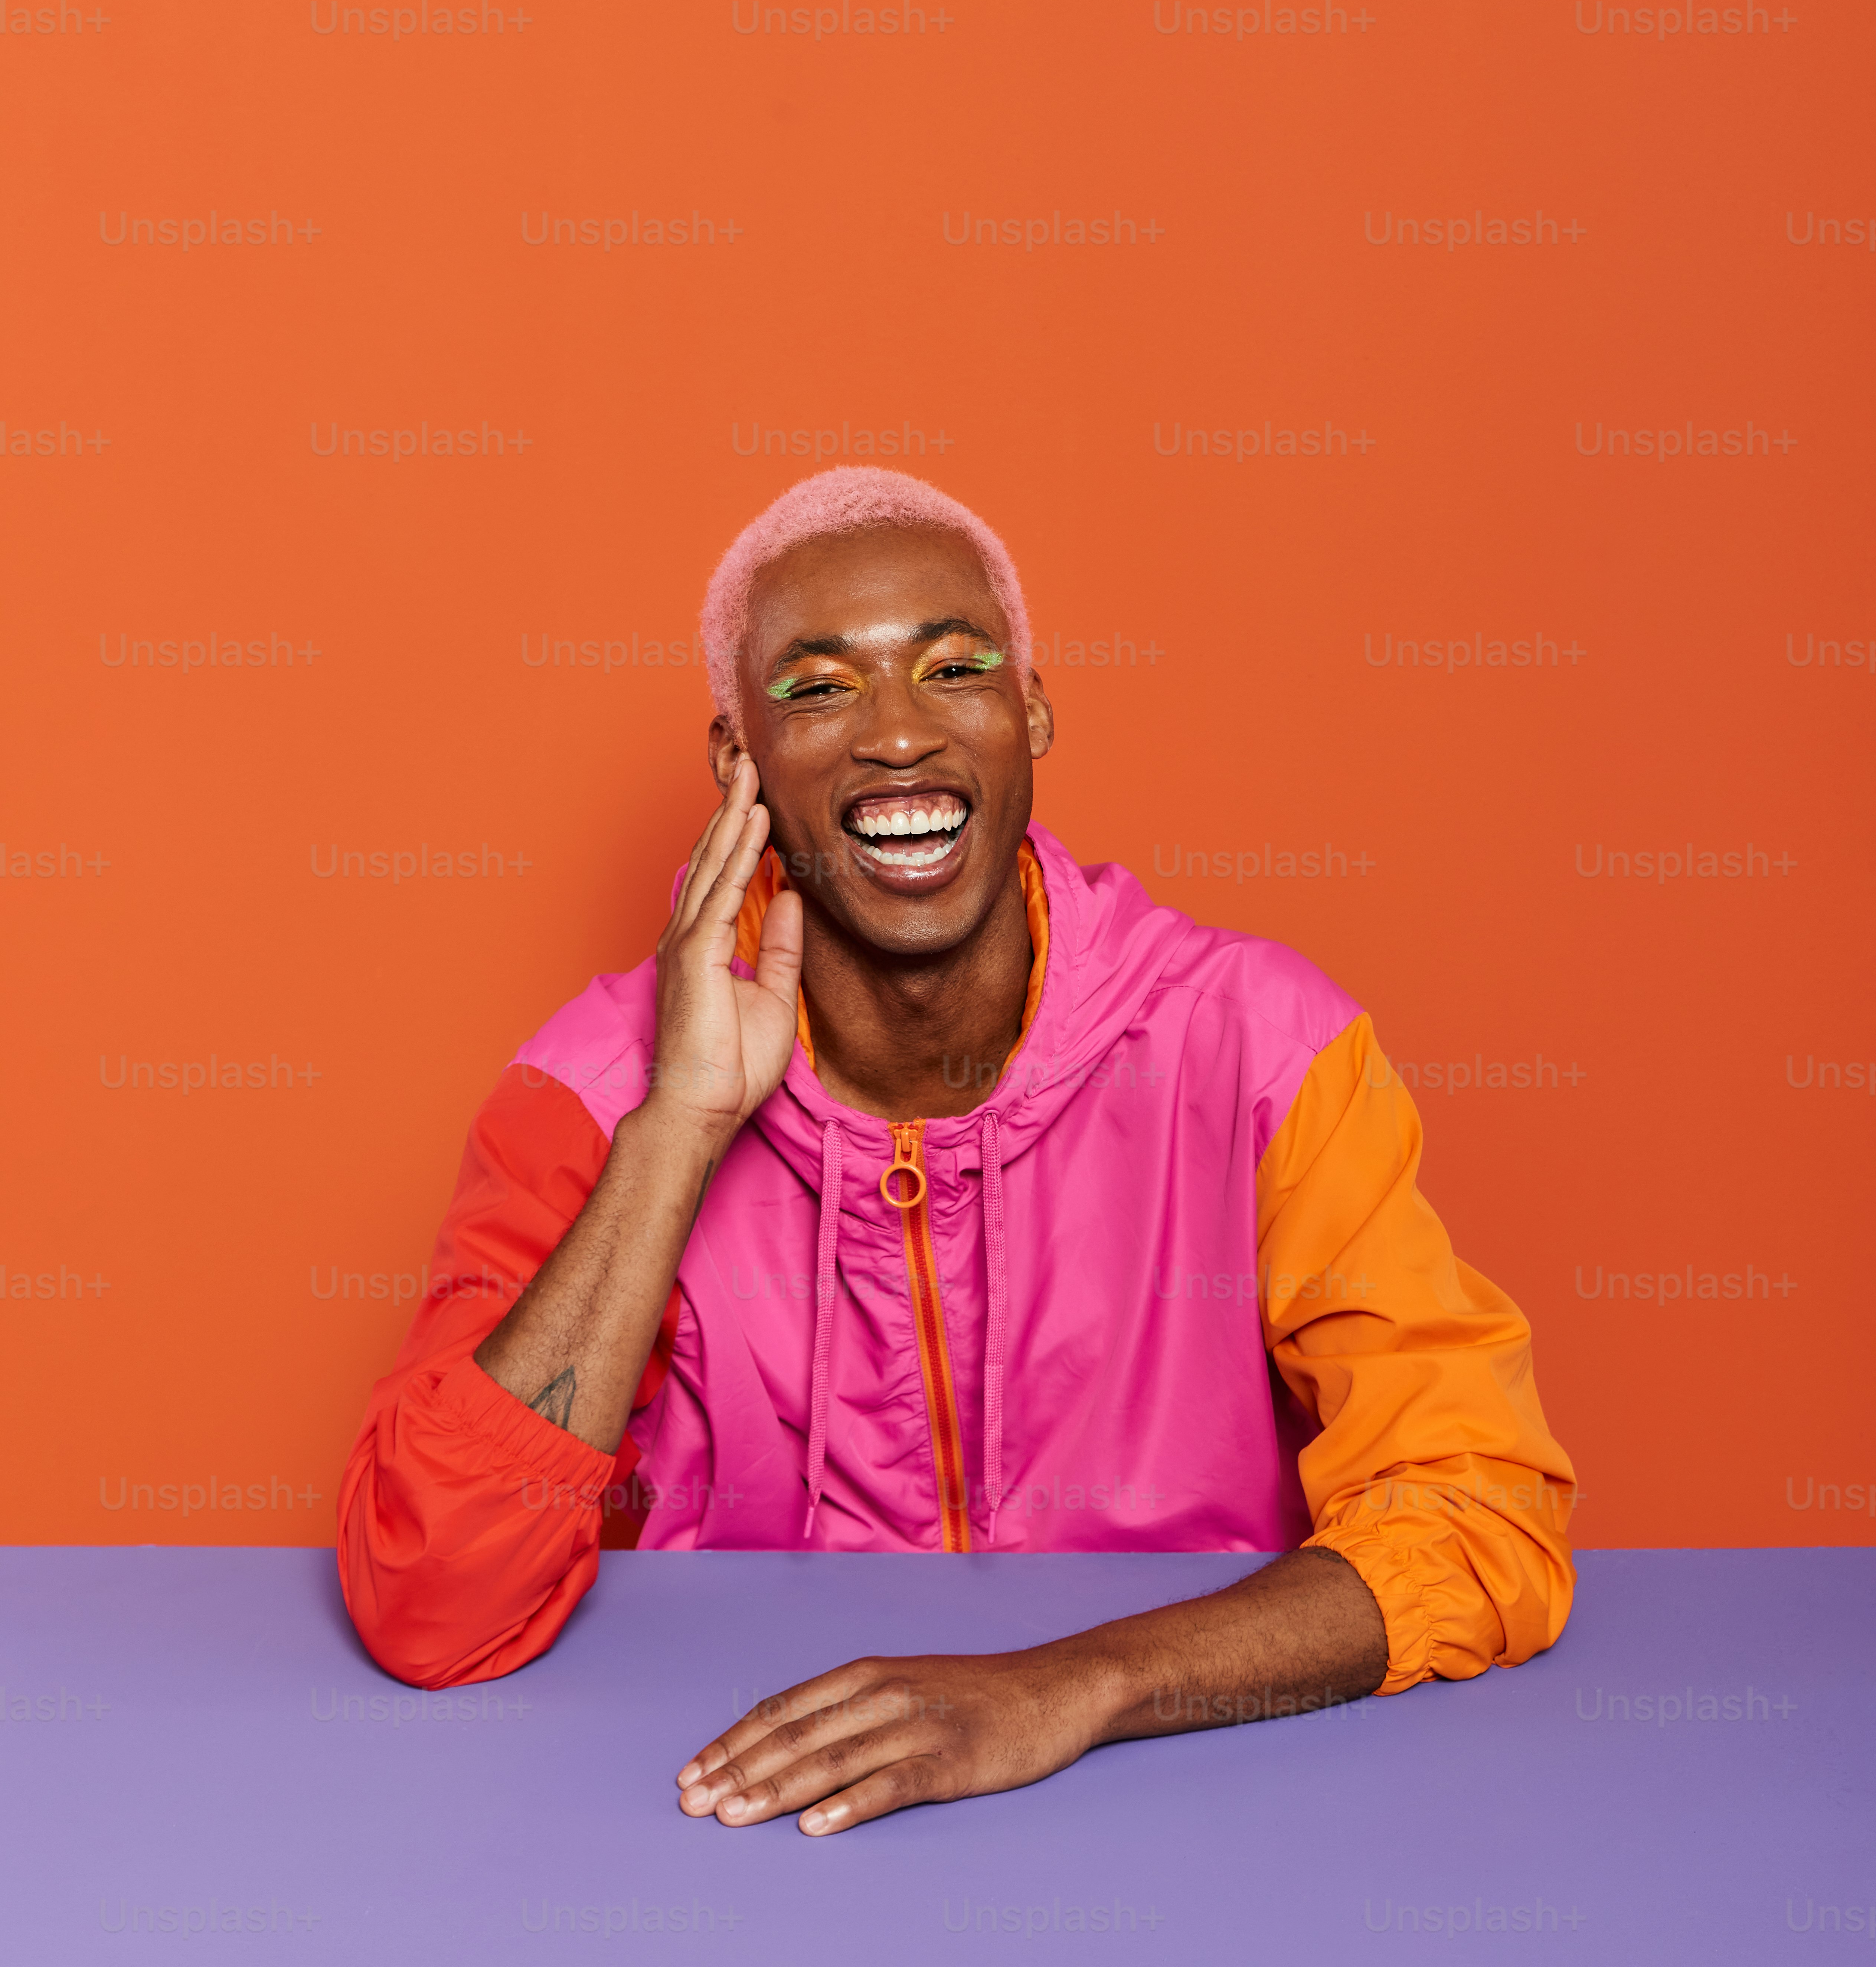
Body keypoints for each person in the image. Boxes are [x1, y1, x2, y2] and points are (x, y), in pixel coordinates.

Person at [339, 468, 1576, 1835]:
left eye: (956, 668)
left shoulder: (1264, 1051)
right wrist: (679, 1130)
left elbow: (1475, 1513)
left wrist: (1074, 1689)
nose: (897, 736)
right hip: (741, 1818)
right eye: (818, 690)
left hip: (1196, 1809)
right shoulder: (592, 1093)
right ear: (734, 758)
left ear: (1033, 709)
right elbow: (433, 1603)